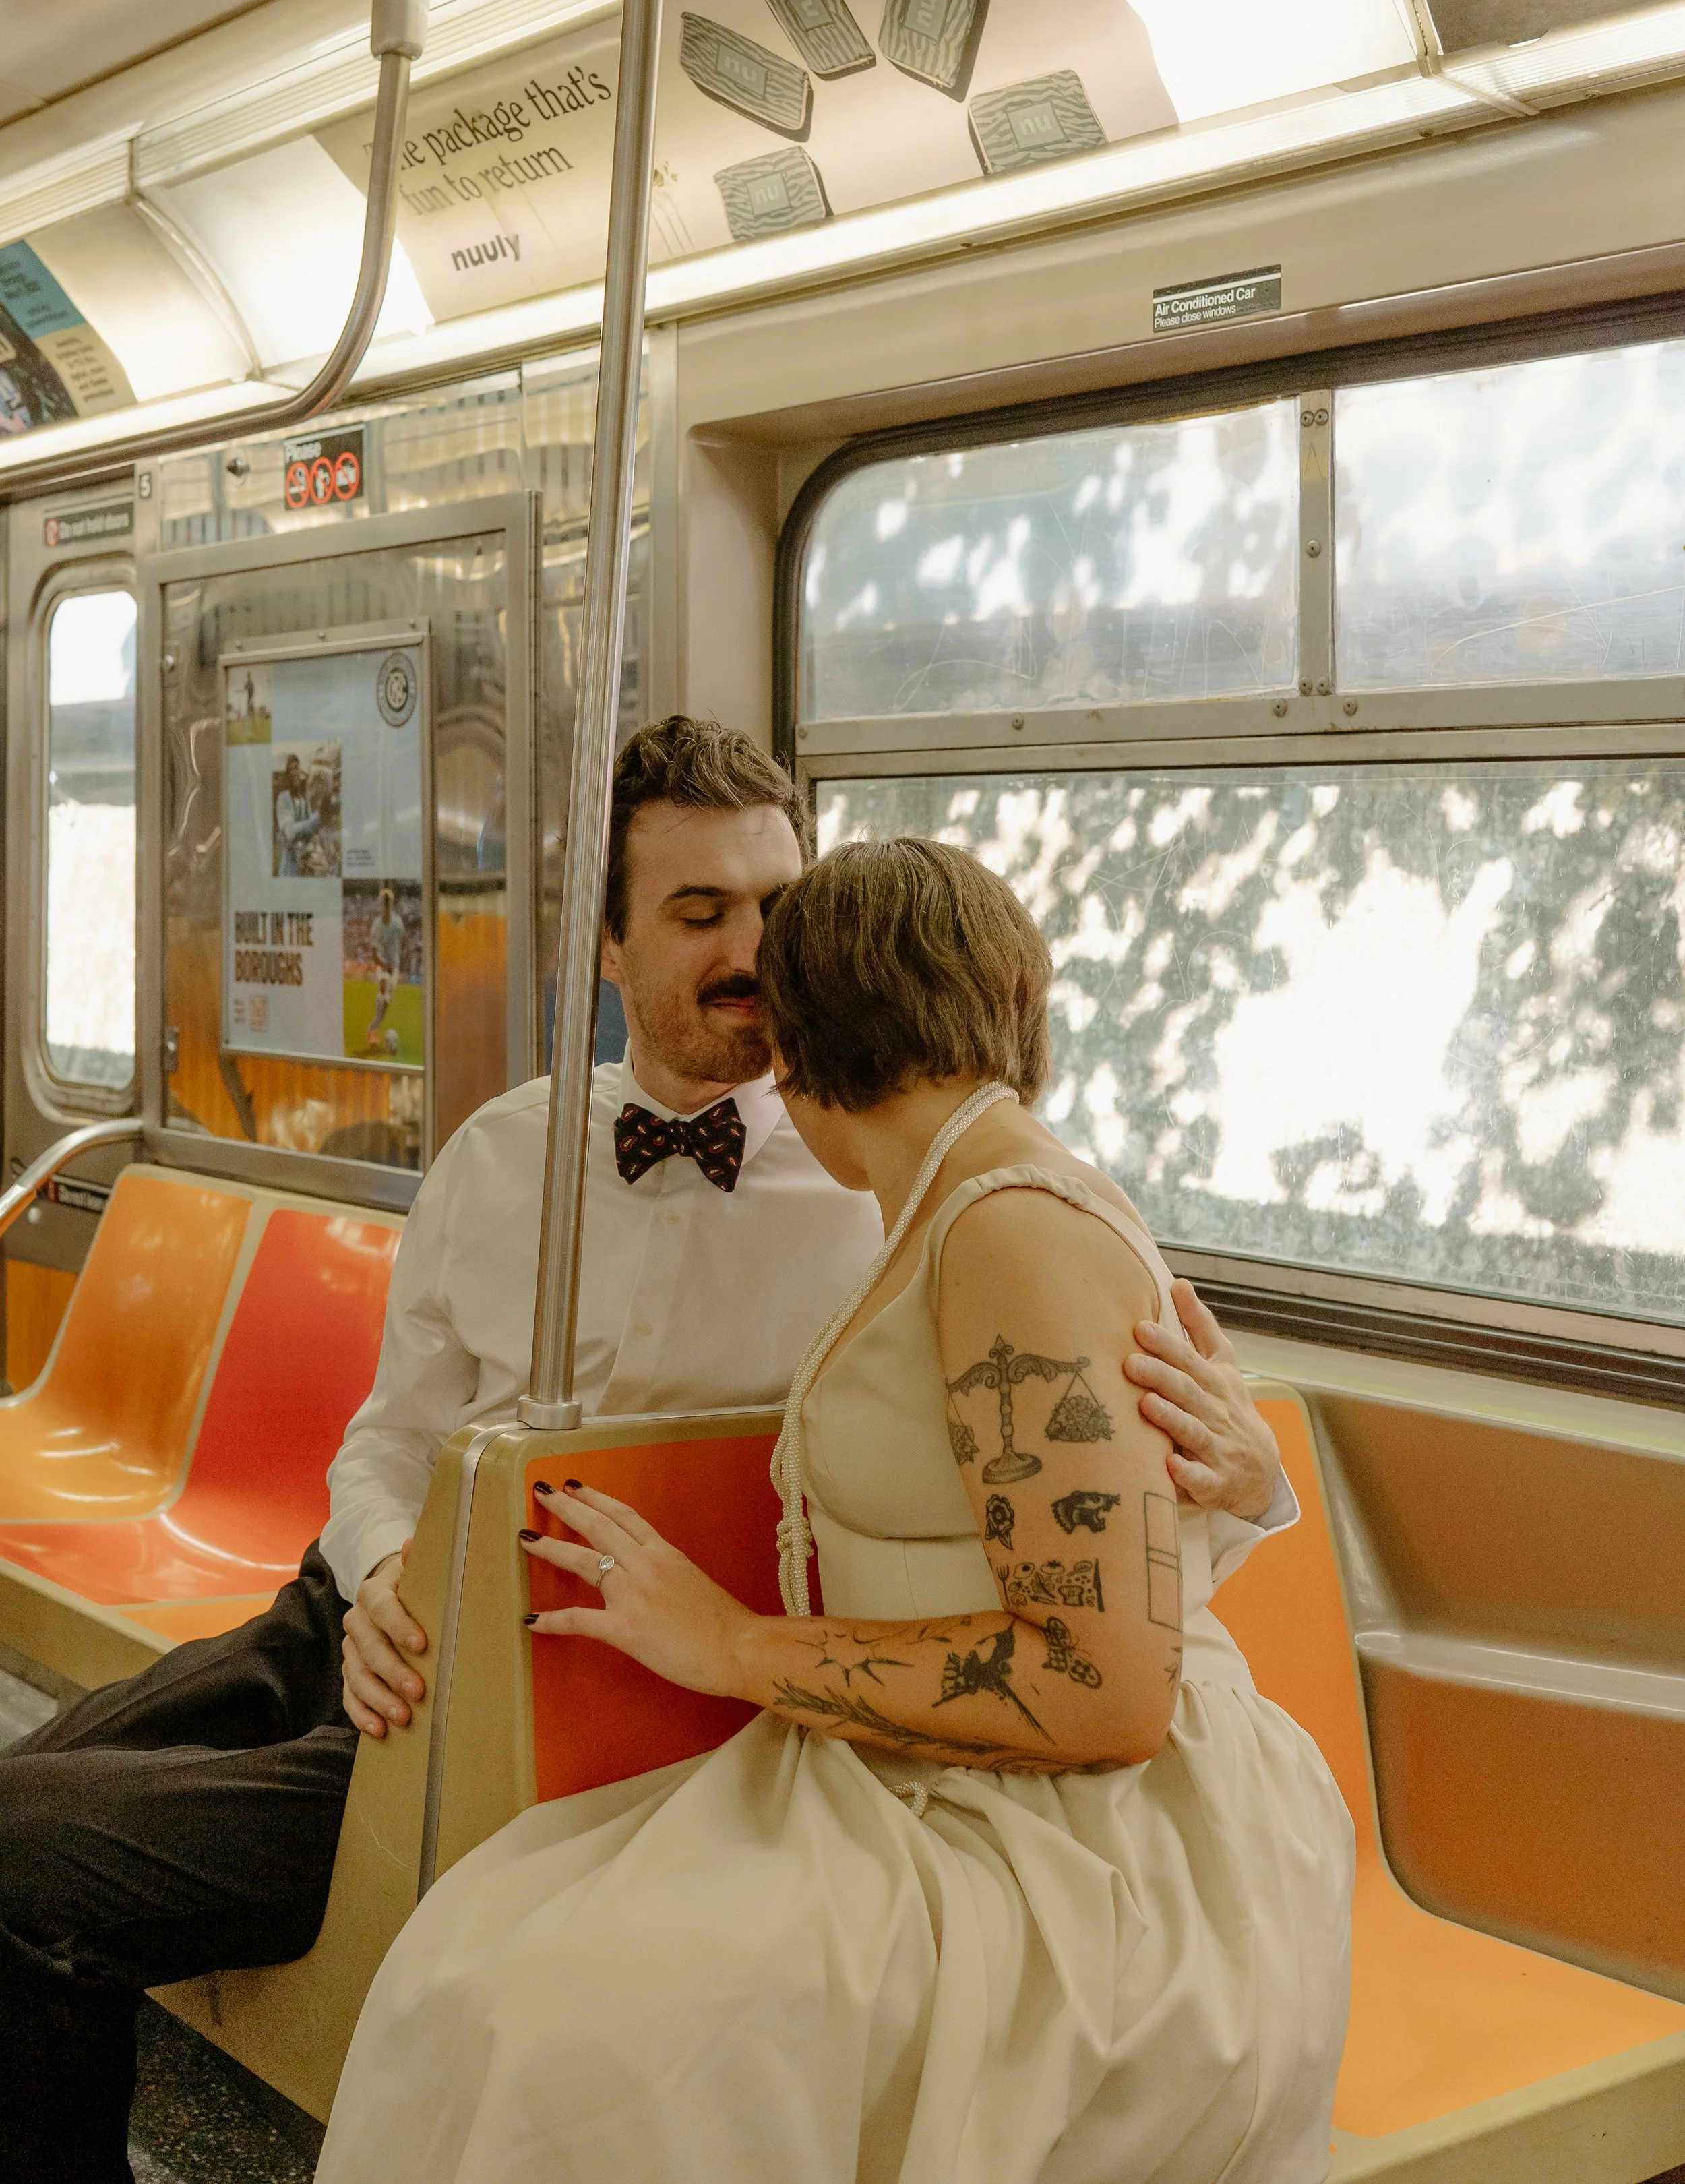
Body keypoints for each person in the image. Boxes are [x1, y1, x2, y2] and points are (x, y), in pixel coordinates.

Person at [0, 721, 1289, 2184]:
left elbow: (1083, 1505)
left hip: (577, 1685)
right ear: (606, 947)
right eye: (698, 915)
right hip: (372, 1611)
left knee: (28, 1869)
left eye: (777, 911)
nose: (752, 953)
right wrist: (376, 1587)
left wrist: (1247, 1474)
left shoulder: (907, 1184)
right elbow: (386, 1445)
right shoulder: (501, 1155)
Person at [318, 838, 1353, 2184]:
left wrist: (731, 1645)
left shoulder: (1005, 1231)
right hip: (931, 1770)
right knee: (487, 1961)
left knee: (564, 2020)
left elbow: (1103, 1688)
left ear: (798, 1057)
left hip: (1081, 1839)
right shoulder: (947, 1204)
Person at [365, 886, 407, 1048]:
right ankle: (373, 1029)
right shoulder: (377, 925)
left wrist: (396, 963)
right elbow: (374, 955)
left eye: (389, 903)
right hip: (383, 964)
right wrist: (385, 965)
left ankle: (374, 1026)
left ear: (392, 905)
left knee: (385, 1002)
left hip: (394, 965)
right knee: (383, 988)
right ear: (380, 905)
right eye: (384, 903)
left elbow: (403, 939)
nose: (386, 906)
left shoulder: (397, 922)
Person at [273, 754, 321, 876]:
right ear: (287, 774)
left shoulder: (304, 799)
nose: (296, 773)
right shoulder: (284, 799)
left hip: (306, 863)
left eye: (297, 768)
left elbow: (315, 827)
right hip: (291, 865)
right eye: (292, 769)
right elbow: (290, 832)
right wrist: (316, 820)